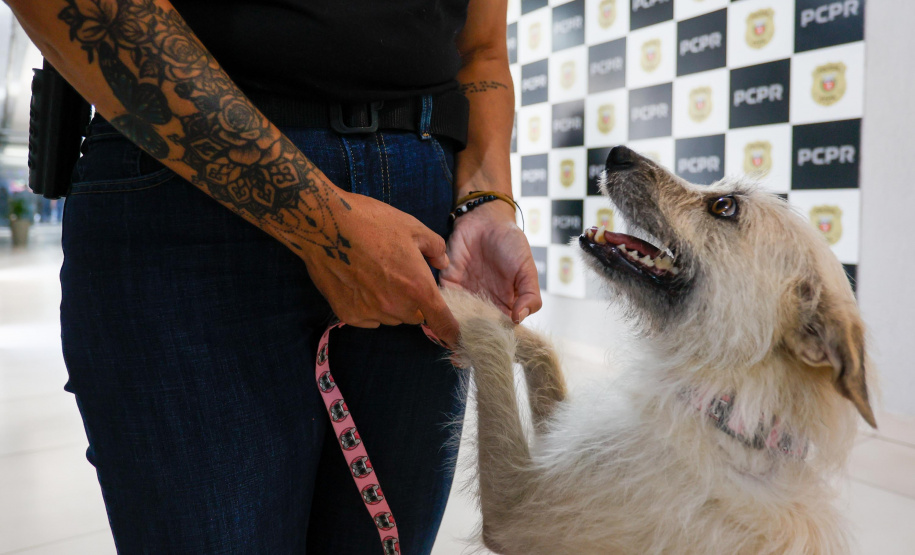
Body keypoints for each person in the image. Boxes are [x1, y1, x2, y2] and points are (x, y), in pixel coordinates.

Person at [4, 0, 541, 553]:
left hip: (421, 207)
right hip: (185, 179)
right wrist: (320, 224)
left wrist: (486, 199)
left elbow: (481, 50)